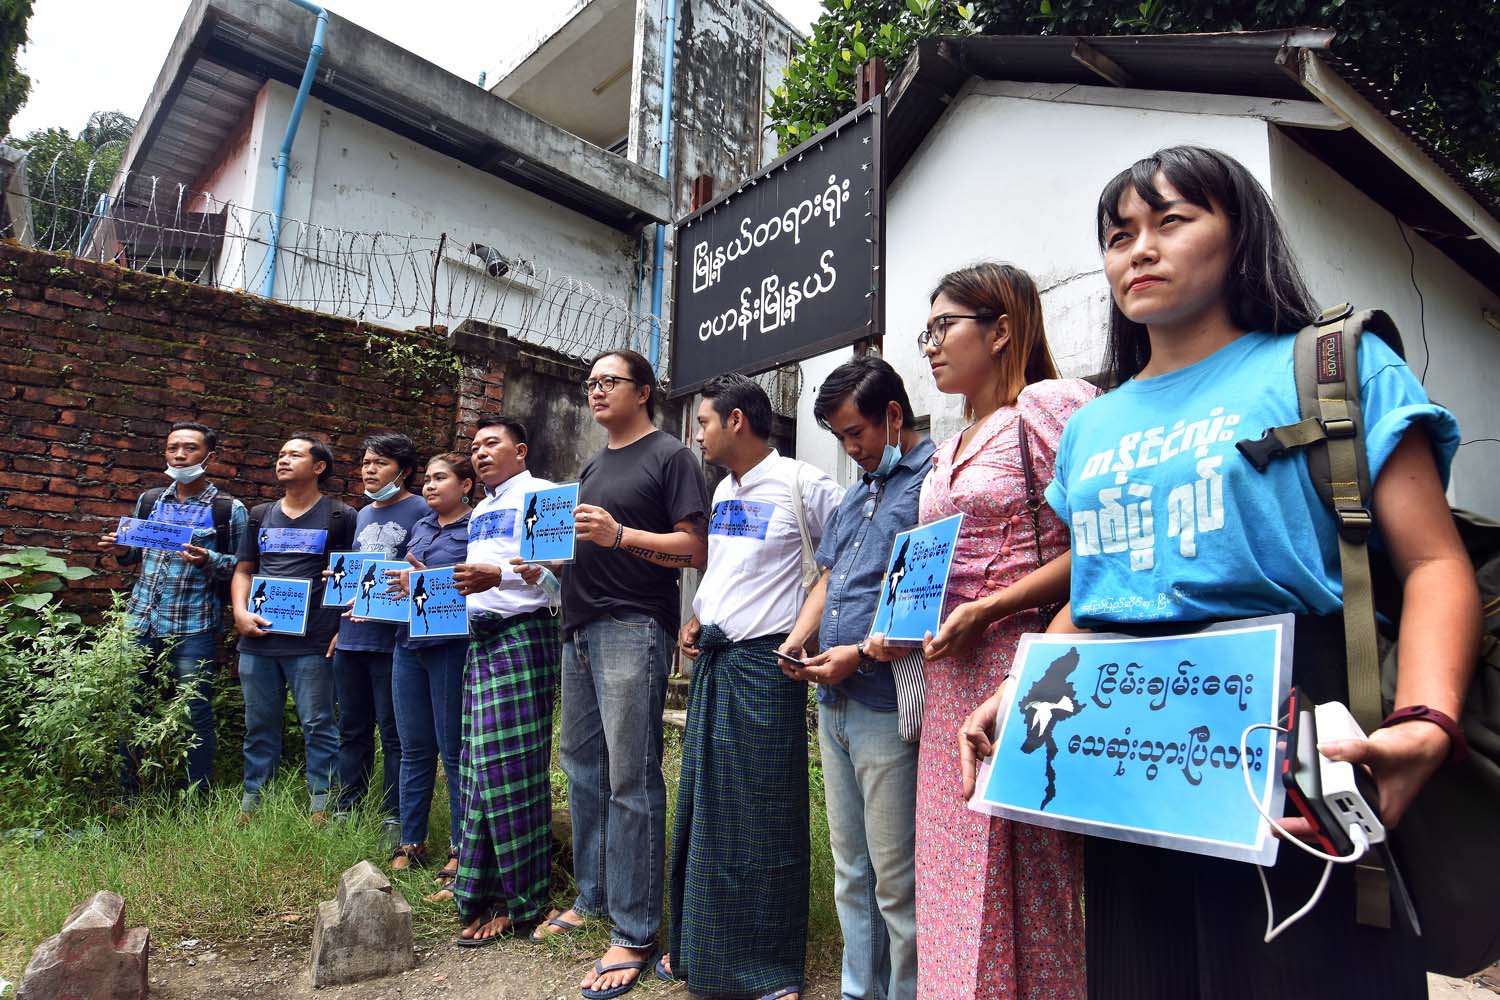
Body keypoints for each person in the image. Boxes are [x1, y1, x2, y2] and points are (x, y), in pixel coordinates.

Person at [959, 146, 1479, 1000]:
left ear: (1240, 236)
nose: (1140, 249)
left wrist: (1423, 725)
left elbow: (1432, 564)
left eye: (1172, 220)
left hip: (1294, 735)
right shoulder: (1094, 423)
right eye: (1119, 233)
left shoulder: (1331, 369)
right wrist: (1024, 687)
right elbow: (1099, 597)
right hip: (1124, 757)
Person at [911, 263, 1096, 1000]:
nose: (929, 346)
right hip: (950, 674)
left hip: (1030, 661)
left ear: (1003, 330)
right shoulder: (947, 443)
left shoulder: (1050, 408)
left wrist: (988, 608)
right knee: (954, 870)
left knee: (1032, 872)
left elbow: (1103, 546)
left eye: (943, 326)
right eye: (926, 331)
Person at [662, 373, 841, 1000]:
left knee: (764, 814)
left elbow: (847, 559)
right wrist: (697, 615)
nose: (698, 434)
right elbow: (729, 571)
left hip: (768, 668)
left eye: (704, 422)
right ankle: (703, 949)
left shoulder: (804, 483)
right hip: (716, 661)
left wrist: (803, 631)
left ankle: (767, 968)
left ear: (737, 420)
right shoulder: (723, 491)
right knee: (708, 808)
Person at [538, 349, 709, 1000]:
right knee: (580, 766)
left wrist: (617, 535)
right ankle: (593, 895)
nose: (595, 392)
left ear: (643, 391)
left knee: (629, 778)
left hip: (634, 627)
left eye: (608, 382)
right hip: (578, 624)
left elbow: (692, 548)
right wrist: (548, 565)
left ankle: (635, 930)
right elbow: (588, 548)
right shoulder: (591, 462)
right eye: (590, 384)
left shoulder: (671, 456)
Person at [777, 355, 935, 1000]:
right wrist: (796, 640)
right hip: (834, 700)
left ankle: (906, 991)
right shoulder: (857, 493)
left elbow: (925, 600)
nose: (850, 449)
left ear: (893, 415)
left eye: (856, 434)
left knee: (897, 875)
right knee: (851, 868)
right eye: (839, 437)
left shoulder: (936, 481)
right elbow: (828, 577)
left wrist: (863, 656)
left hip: (882, 699)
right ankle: (856, 990)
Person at [423, 416, 564, 946]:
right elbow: (473, 582)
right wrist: (422, 582)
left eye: (492, 444)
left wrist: (497, 575)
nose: (479, 453)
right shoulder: (481, 508)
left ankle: (520, 899)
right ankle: (479, 889)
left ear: (521, 450)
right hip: (480, 639)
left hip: (524, 635)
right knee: (478, 765)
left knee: (514, 766)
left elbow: (554, 571)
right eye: (474, 446)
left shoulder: (543, 494)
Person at [102, 421, 248, 794]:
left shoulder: (227, 509)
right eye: (173, 448)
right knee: (129, 707)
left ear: (209, 456)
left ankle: (195, 797)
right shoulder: (151, 500)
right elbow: (132, 555)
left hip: (193, 625)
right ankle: (128, 793)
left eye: (190, 448)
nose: (180, 455)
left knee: (193, 712)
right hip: (140, 620)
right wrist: (120, 549)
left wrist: (209, 559)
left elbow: (243, 567)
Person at [231, 434, 356, 822]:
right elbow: (244, 570)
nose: (283, 460)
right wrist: (239, 612)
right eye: (281, 454)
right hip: (259, 637)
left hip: (314, 640)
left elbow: (352, 576)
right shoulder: (259, 514)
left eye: (294, 455)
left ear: (319, 467)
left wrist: (342, 628)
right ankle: (253, 800)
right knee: (258, 724)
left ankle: (323, 801)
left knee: (319, 723)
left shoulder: (340, 516)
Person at [333, 432, 429, 832]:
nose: (369, 470)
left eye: (380, 463)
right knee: (351, 728)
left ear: (403, 471)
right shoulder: (361, 514)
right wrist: (338, 630)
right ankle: (346, 806)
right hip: (351, 636)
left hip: (393, 641)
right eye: (366, 462)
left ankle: (393, 813)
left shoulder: (422, 510)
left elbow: (421, 575)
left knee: (394, 732)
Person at [386, 453, 474, 880]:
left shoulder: (477, 527)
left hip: (450, 646)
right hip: (407, 644)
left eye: (441, 478)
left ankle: (460, 849)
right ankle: (411, 840)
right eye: (427, 480)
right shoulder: (421, 527)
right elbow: (405, 580)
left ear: (465, 486)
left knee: (453, 748)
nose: (430, 486)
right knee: (413, 748)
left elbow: (472, 584)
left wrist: (424, 579)